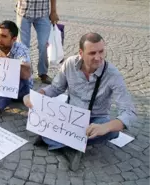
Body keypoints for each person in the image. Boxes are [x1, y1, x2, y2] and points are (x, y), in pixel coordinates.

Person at [23, 33, 137, 171]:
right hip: (70, 114)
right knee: (41, 118)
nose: (98, 57)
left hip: (95, 118)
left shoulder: (113, 74)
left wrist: (105, 127)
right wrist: (35, 96)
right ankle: (71, 147)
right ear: (81, 53)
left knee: (113, 133)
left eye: (101, 51)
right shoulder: (70, 63)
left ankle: (53, 140)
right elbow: (55, 88)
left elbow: (128, 112)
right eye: (92, 53)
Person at [16, 0, 59, 84]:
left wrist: (53, 11)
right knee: (23, 46)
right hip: (23, 12)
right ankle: (26, 74)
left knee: (43, 44)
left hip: (42, 13)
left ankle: (43, 73)